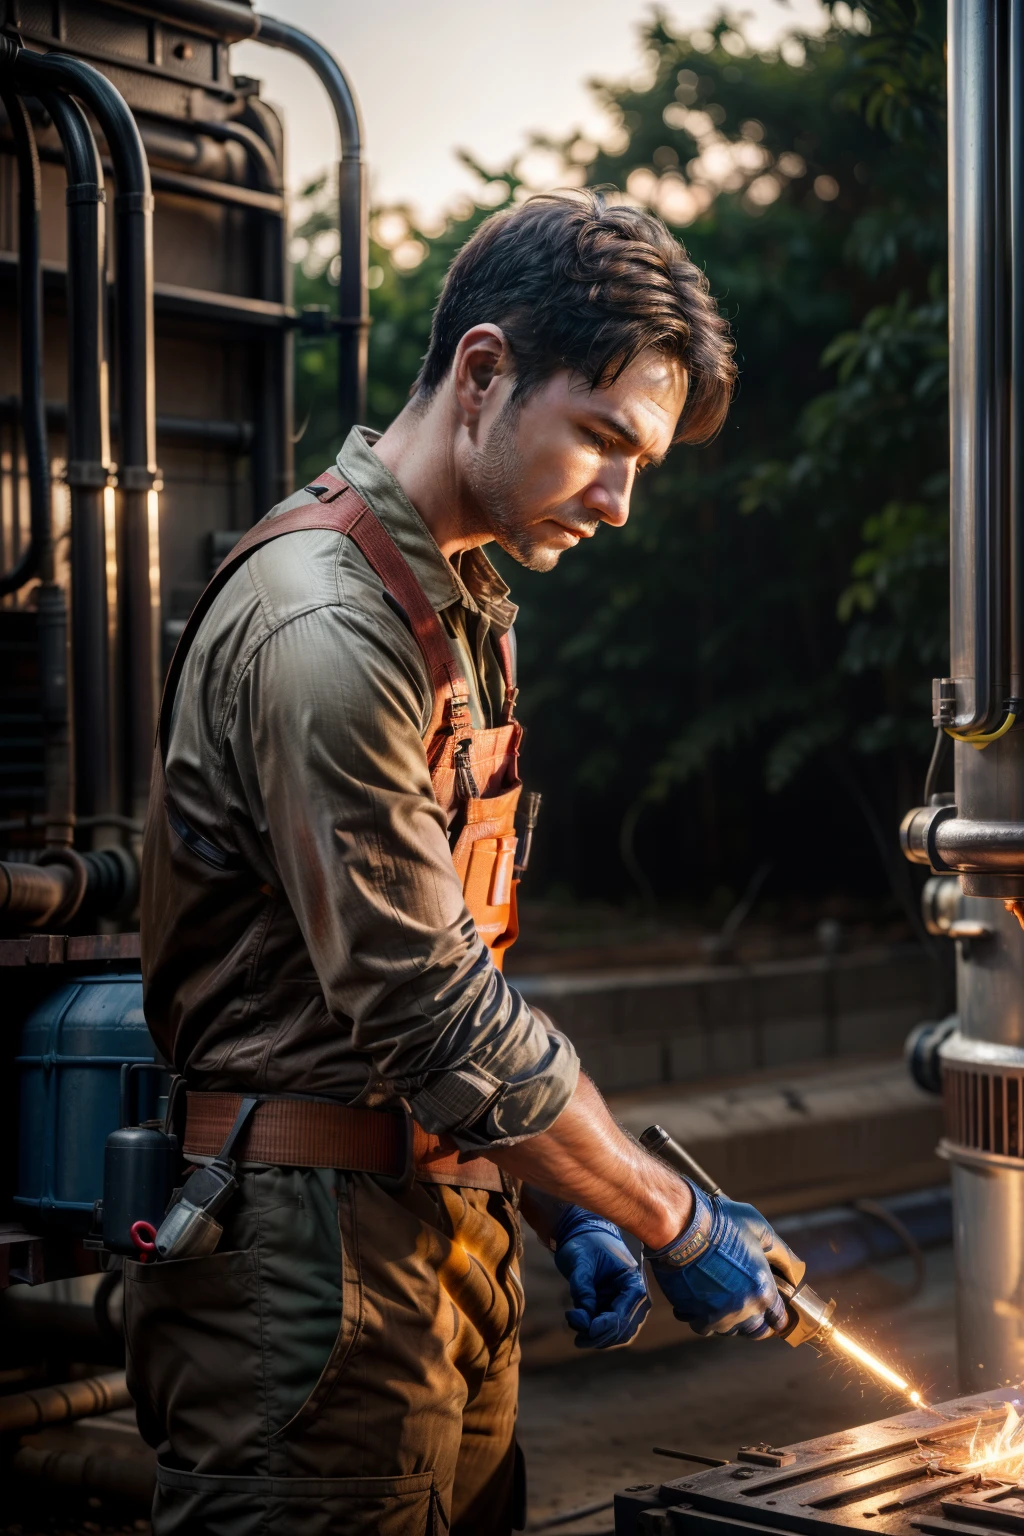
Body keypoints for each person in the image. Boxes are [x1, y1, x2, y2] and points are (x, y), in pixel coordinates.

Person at [130, 189, 804, 1536]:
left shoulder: (459, 602)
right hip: (307, 1297)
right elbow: (427, 1001)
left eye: (644, 462)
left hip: (439, 1255)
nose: (619, 500)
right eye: (602, 438)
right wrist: (668, 1213)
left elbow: (458, 964)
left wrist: (564, 1208)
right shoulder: (326, 624)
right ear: (485, 373)